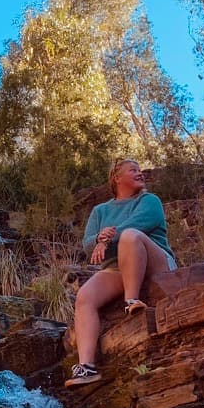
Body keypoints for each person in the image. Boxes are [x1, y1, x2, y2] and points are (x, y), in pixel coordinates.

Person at [65, 158, 176, 387]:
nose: (140, 173)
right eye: (133, 170)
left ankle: (132, 299)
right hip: (118, 267)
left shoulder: (149, 200)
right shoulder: (100, 211)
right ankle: (86, 367)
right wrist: (97, 238)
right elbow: (87, 244)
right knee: (85, 297)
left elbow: (138, 224)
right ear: (117, 178)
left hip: (155, 261)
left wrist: (106, 240)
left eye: (140, 170)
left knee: (130, 236)